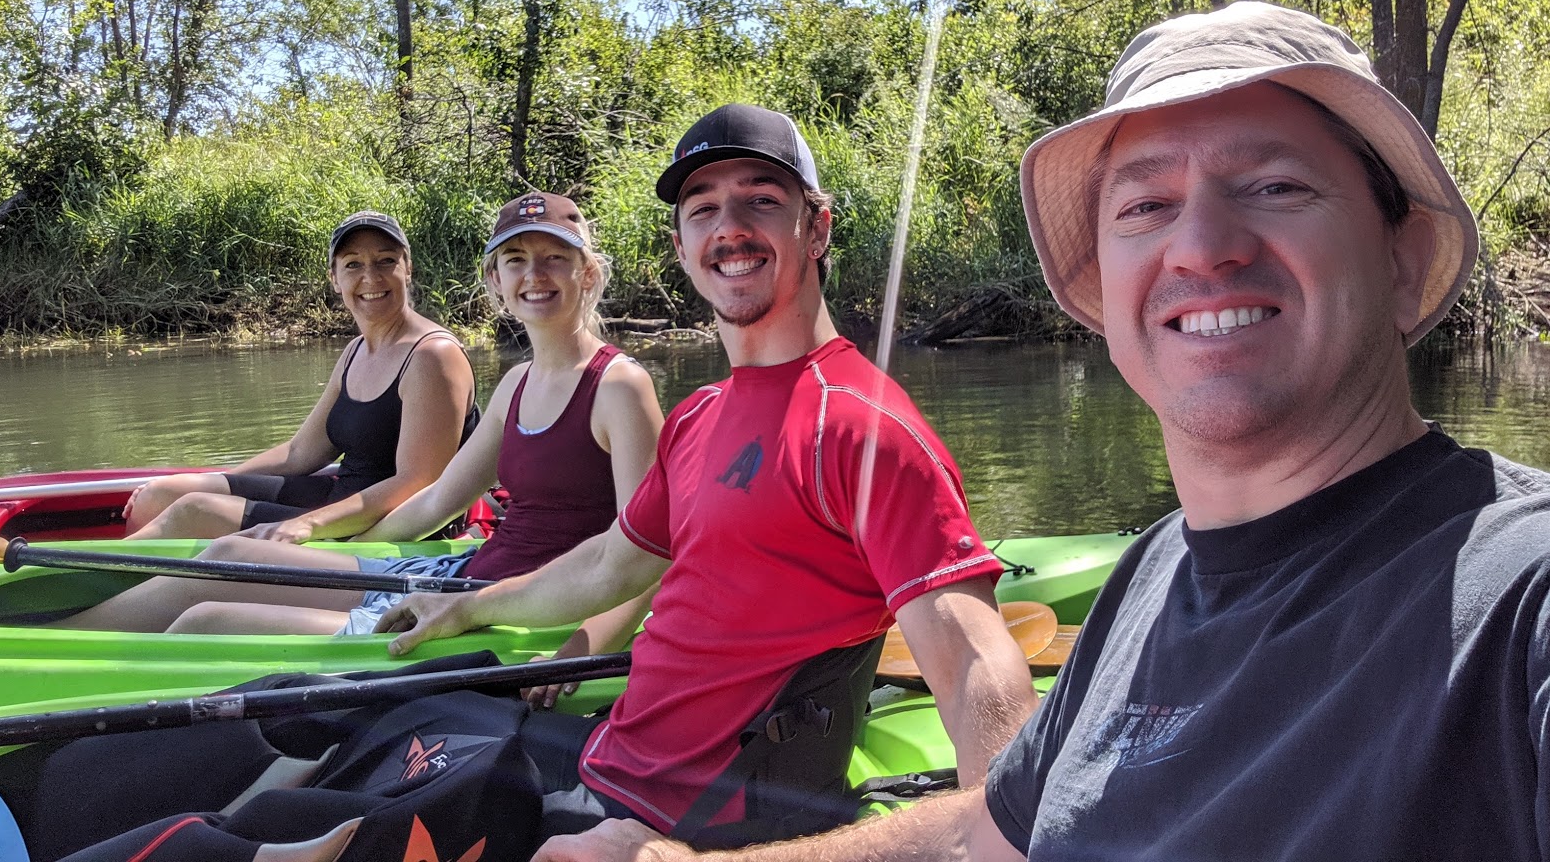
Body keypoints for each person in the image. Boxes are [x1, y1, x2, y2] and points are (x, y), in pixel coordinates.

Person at [537, 1, 1550, 862]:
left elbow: (974, 655)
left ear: (1407, 257)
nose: (1199, 247)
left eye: (1275, 186)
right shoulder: (1152, 576)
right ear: (1104, 291)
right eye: (1147, 204)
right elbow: (997, 824)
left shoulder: (1519, 594)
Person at [375, 103, 1038, 851]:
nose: (729, 227)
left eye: (761, 199)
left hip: (688, 821)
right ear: (682, 245)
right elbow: (608, 564)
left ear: (815, 228)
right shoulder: (699, 417)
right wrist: (469, 609)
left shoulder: (858, 427)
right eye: (703, 209)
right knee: (376, 735)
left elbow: (976, 660)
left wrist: (996, 830)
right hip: (604, 759)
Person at [59, 194, 664, 685]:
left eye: (555, 257)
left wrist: (583, 654)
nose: (535, 275)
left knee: (203, 621)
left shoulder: (619, 387)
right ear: (495, 281)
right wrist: (332, 551)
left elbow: (650, 554)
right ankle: (60, 635)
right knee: (230, 554)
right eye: (516, 260)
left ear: (587, 272)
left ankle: (60, 670)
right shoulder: (516, 382)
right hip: (461, 577)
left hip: (507, 611)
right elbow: (434, 503)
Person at [122, 210, 480, 541]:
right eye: (353, 264)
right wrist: (214, 480)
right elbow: (299, 454)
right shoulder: (356, 350)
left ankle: (105, 584)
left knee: (193, 511)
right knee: (162, 494)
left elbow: (418, 483)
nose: (371, 277)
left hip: (388, 528)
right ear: (335, 279)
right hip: (341, 497)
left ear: (408, 269)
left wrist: (307, 523)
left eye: (386, 261)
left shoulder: (433, 356)